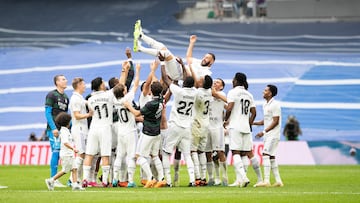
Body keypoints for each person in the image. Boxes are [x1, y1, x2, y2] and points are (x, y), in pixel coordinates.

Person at [123, 80, 164, 188]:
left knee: (139, 156)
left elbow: (137, 113)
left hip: (148, 132)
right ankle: (162, 178)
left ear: (151, 91)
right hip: (157, 132)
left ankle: (150, 178)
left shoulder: (150, 104)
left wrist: (128, 105)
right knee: (155, 156)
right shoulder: (161, 100)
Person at [161, 76, 198, 187]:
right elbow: (190, 80)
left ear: (184, 83)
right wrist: (182, 66)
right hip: (187, 127)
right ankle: (192, 180)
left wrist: (163, 63)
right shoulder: (195, 93)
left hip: (175, 125)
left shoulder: (179, 91)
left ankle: (168, 181)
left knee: (166, 153)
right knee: (187, 155)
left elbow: (166, 80)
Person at [82, 77, 115, 188]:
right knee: (105, 154)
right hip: (105, 127)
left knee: (89, 154)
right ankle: (105, 181)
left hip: (94, 127)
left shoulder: (90, 99)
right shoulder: (108, 95)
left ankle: (85, 179)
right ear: (101, 85)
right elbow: (121, 84)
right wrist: (125, 70)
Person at [112, 62, 141, 188]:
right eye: (124, 88)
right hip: (130, 131)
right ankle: (130, 180)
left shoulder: (114, 100)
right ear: (124, 92)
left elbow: (120, 86)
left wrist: (124, 70)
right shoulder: (127, 98)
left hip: (121, 131)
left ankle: (114, 179)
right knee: (131, 156)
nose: (126, 88)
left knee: (119, 156)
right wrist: (138, 70)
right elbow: (135, 84)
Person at [224, 72, 255, 187]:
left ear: (236, 80)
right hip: (246, 127)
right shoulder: (249, 94)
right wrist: (249, 124)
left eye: (233, 79)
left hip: (235, 126)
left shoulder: (232, 92)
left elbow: (229, 108)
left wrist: (225, 119)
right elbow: (254, 113)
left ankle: (244, 177)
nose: (232, 81)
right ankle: (239, 180)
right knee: (244, 154)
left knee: (235, 152)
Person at [253, 84, 284, 187]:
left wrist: (263, 132)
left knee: (265, 154)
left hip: (273, 135)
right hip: (268, 135)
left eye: (265, 90)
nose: (263, 92)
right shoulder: (265, 104)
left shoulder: (275, 104)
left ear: (270, 93)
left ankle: (266, 181)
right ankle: (278, 181)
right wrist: (253, 123)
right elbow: (266, 121)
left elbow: (275, 121)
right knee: (271, 157)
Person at [45, 112, 84, 191]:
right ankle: (51, 180)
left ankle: (75, 184)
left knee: (74, 168)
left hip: (69, 154)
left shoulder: (66, 130)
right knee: (65, 170)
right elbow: (65, 142)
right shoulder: (64, 132)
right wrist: (73, 148)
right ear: (67, 122)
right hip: (66, 154)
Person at [44, 74, 69, 187]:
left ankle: (54, 179)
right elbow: (47, 113)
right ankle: (52, 179)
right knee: (56, 152)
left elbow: (65, 115)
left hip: (62, 130)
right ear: (57, 82)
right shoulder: (51, 95)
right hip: (53, 130)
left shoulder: (66, 98)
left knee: (61, 153)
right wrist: (53, 128)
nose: (66, 81)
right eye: (63, 79)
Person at [69, 77, 93, 185]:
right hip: (78, 129)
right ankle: (71, 178)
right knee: (80, 154)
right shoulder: (75, 99)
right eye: (83, 84)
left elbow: (85, 102)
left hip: (83, 129)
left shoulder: (79, 98)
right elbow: (76, 115)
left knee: (82, 154)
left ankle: (77, 179)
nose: (85, 86)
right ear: (78, 85)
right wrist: (88, 115)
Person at [206, 78, 228, 186]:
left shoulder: (221, 94)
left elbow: (228, 105)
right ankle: (213, 178)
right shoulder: (207, 94)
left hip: (217, 127)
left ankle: (225, 177)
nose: (215, 83)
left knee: (220, 152)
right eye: (214, 81)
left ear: (222, 86)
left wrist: (226, 121)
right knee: (208, 153)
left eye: (218, 82)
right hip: (207, 127)